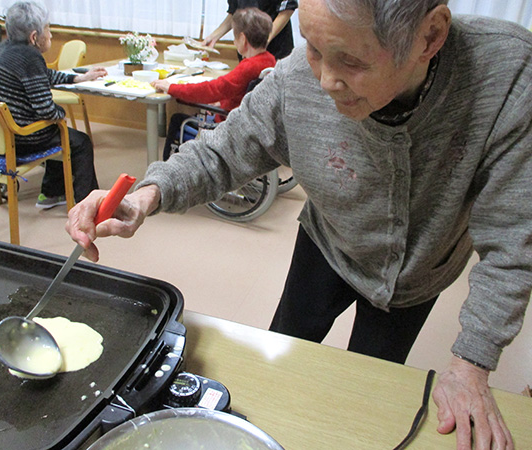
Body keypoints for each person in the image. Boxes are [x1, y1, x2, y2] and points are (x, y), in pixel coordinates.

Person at [66, 1, 532, 448]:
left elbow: (514, 239)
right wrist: (148, 194)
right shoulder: (296, 78)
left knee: (370, 384)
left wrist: (471, 362)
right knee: (283, 351)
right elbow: (223, 150)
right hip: (326, 241)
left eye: (351, 61)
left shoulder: (507, 75)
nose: (326, 80)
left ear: (429, 36)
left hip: (418, 271)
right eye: (311, 46)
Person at [0, 1, 107, 209]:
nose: (51, 35)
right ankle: (87, 204)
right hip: (20, 136)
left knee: (57, 131)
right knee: (79, 141)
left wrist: (77, 79)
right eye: (48, 29)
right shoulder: (30, 57)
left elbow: (43, 75)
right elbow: (46, 110)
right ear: (34, 37)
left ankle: (51, 194)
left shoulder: (5, 48)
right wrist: (61, 113)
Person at [152, 7, 276, 160]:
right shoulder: (269, 60)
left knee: (177, 120)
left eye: (235, 37)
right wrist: (220, 102)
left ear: (243, 39)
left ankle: (170, 171)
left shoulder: (248, 66)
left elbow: (211, 90)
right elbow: (239, 93)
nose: (234, 41)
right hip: (247, 121)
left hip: (228, 124)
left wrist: (171, 87)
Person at [203, 0, 298, 60]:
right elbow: (235, 12)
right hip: (247, 50)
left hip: (275, 49)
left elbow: (287, 9)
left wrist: (263, 40)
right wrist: (214, 36)